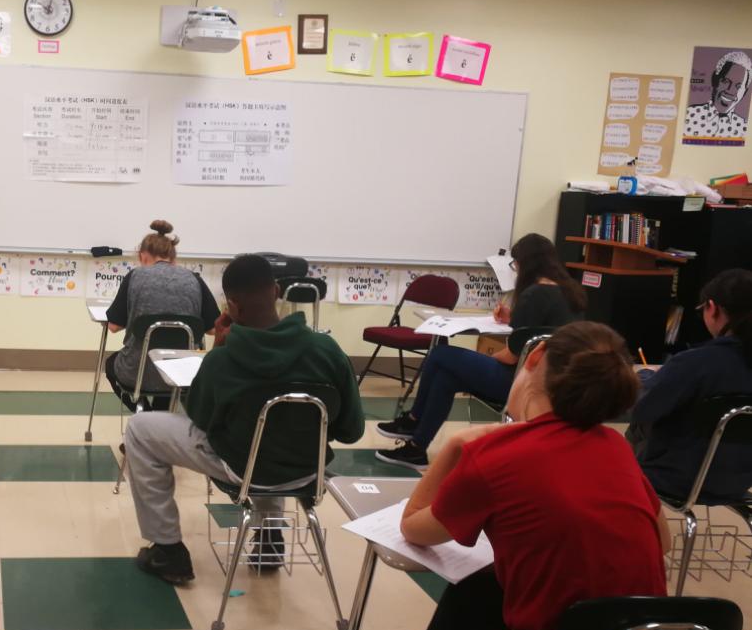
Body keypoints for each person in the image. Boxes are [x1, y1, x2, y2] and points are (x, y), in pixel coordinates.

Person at [351, 322, 679, 630]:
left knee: (467, 607)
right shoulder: (616, 447)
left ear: (534, 358)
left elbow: (413, 528)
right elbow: (662, 541)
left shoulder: (498, 454)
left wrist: (454, 448)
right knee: (481, 589)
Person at [123, 254, 364, 585]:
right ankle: (269, 538)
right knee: (272, 435)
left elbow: (201, 419)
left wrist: (217, 348)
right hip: (307, 470)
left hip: (242, 469)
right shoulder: (328, 350)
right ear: (276, 291)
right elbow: (351, 431)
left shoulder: (223, 359)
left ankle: (168, 550)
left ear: (232, 306)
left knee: (139, 430)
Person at [375, 233, 585, 469]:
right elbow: (540, 329)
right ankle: (416, 449)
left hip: (520, 383)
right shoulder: (570, 292)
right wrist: (512, 318)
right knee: (447, 377)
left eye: (515, 264)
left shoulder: (534, 294)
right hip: (552, 383)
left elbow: (512, 356)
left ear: (527, 263)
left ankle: (413, 420)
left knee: (439, 355)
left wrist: (483, 360)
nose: (515, 270)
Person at [629, 268, 752, 504]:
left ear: (712, 308)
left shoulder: (696, 363)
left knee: (637, 425)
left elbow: (641, 408)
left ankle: (629, 496)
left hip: (674, 478)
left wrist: (645, 377)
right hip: (738, 482)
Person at [105, 219, 220, 411]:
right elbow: (213, 329)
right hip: (182, 373)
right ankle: (160, 415)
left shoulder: (134, 276)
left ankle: (145, 414)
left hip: (137, 372)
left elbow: (113, 326)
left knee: (110, 365)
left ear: (142, 256)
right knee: (168, 379)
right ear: (173, 258)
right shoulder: (194, 279)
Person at [684, 50, 750, 143]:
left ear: (744, 92)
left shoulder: (744, 128)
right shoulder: (689, 114)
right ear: (715, 80)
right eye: (725, 81)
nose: (730, 91)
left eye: (739, 87)